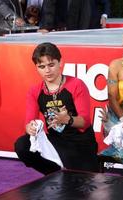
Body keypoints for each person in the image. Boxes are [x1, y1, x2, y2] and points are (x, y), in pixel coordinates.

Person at [14, 42, 99, 175]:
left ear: (60, 63)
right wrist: (30, 128)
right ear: (36, 68)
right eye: (41, 67)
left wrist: (67, 119)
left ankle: (70, 171)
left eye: (51, 65)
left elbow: (85, 122)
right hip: (56, 143)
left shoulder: (76, 84)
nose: (47, 71)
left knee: (82, 187)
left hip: (81, 145)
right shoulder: (34, 91)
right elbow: (29, 122)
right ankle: (53, 172)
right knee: (22, 145)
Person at [38, 0, 110, 33]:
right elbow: (50, 4)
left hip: (90, 26)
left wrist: (104, 15)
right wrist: (46, 26)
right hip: (64, 28)